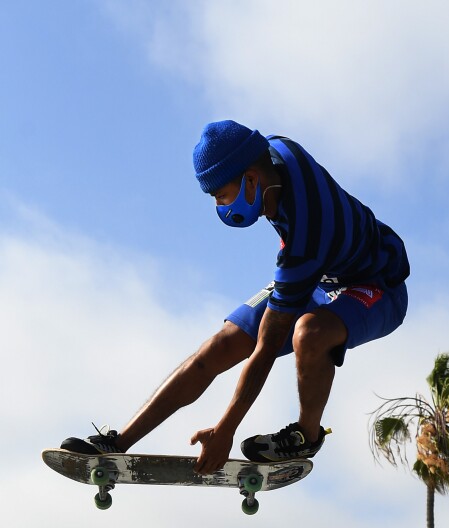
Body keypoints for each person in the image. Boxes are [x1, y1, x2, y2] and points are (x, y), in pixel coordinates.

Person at [61, 120, 410, 474]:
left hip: (379, 285)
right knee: (220, 344)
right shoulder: (270, 151)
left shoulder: (306, 235)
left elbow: (266, 348)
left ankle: (306, 435)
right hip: (320, 276)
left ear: (252, 180)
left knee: (309, 333)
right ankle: (117, 443)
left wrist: (225, 429)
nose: (220, 207)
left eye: (221, 196)